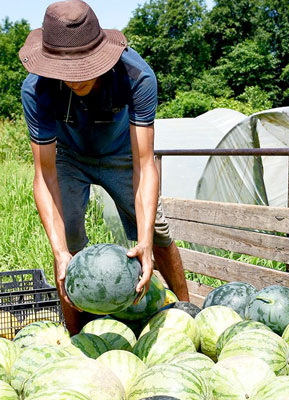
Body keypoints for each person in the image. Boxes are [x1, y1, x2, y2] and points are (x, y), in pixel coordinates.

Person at [18, 0, 189, 334]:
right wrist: (59, 251)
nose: (75, 78)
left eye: (83, 68)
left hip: (121, 152)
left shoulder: (136, 76)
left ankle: (188, 312)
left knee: (155, 231)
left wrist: (144, 243)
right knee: (66, 238)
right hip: (68, 155)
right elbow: (45, 174)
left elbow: (144, 164)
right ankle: (77, 337)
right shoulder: (36, 89)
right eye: (66, 71)